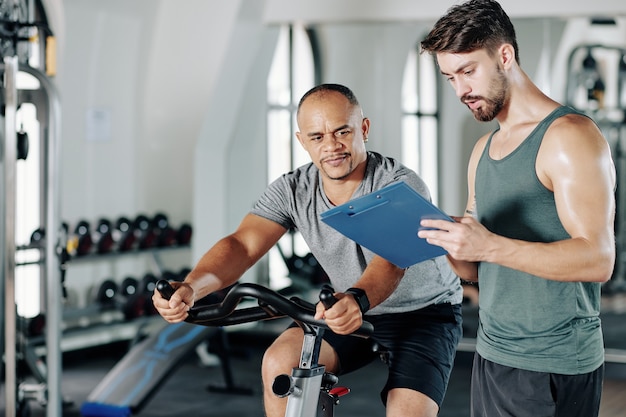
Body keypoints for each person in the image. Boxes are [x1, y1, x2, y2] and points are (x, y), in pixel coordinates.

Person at [153, 83, 463, 417]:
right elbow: (243, 244)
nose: (331, 146)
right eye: (317, 137)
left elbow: (390, 262)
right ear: (303, 142)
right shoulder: (294, 189)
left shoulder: (396, 184)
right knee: (279, 363)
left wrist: (357, 298)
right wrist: (191, 287)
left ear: (364, 128)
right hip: (349, 309)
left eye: (342, 131)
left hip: (425, 312)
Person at [419, 1, 616, 416]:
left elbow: (598, 259)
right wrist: (452, 243)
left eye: (468, 71)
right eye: (450, 77)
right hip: (494, 355)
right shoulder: (483, 150)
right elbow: (475, 270)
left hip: (553, 363)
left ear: (504, 56)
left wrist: (488, 245)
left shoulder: (569, 137)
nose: (460, 91)